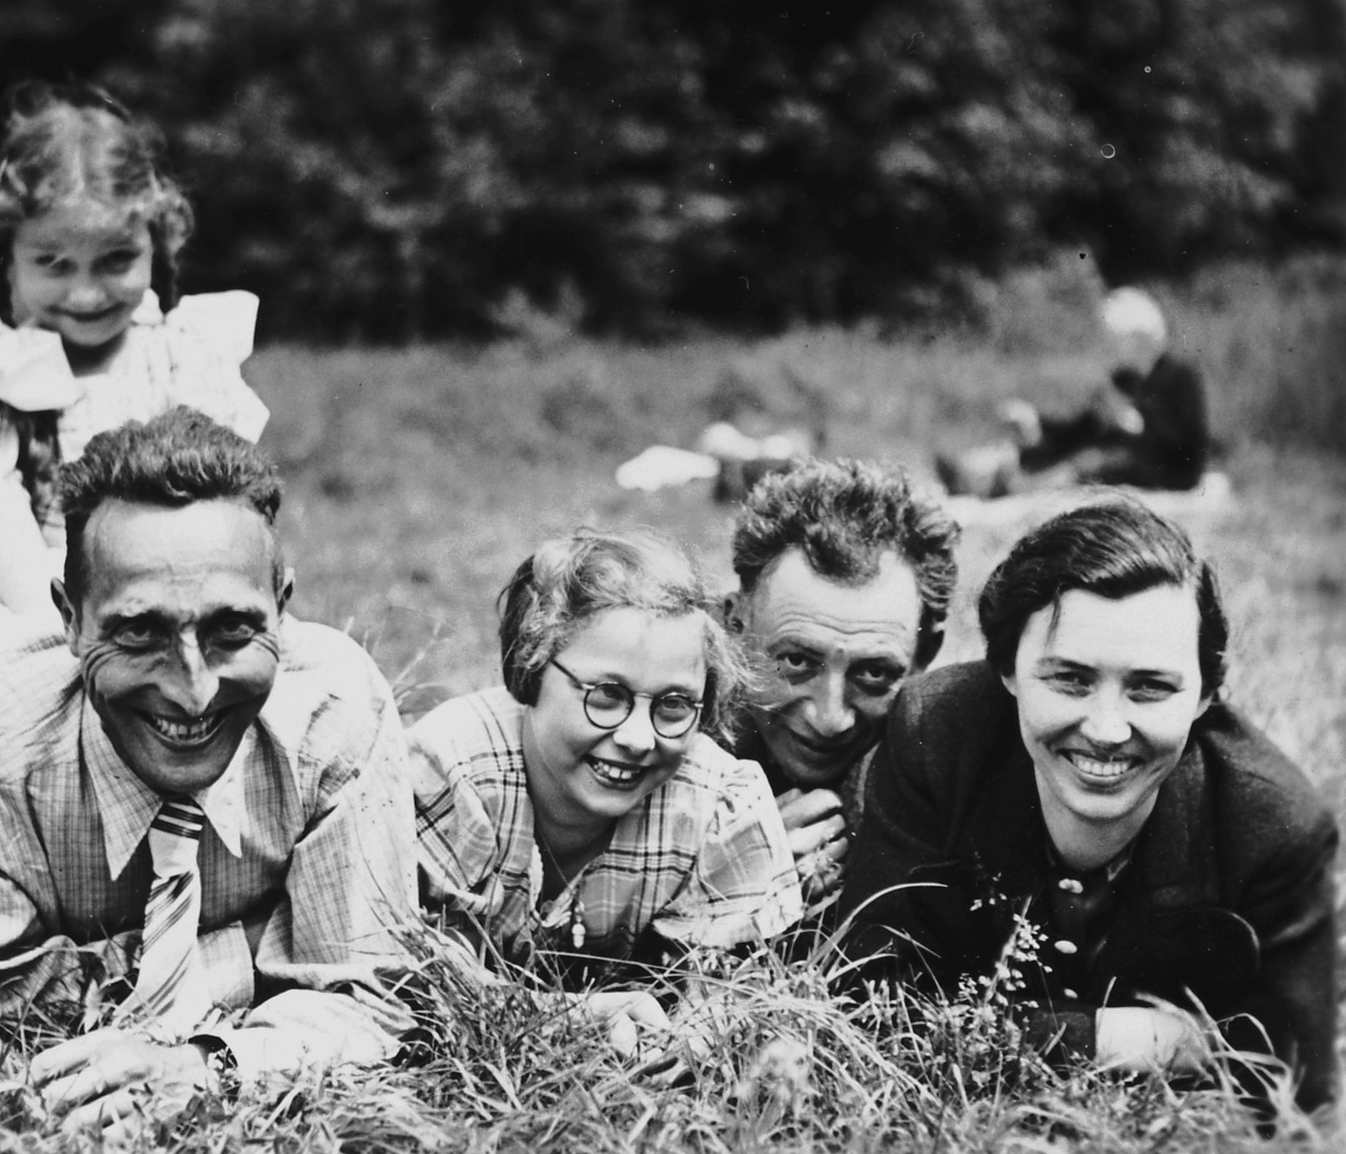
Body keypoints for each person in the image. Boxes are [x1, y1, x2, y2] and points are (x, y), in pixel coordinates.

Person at [0, 406, 416, 1134]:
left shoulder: (335, 717)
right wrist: (252, 950)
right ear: (69, 618)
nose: (193, 690)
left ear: (282, 610)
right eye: (138, 632)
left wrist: (207, 1064)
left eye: (233, 629)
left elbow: (370, 996)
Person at [840, 498, 1337, 1111]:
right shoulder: (934, 736)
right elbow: (866, 999)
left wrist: (1003, 1032)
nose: (1105, 729)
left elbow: (1291, 1086)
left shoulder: (1273, 822)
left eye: (1150, 687)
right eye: (1070, 679)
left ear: (1207, 693)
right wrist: (1131, 1038)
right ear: (1006, 668)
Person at [0, 80, 268, 674]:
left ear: (156, 244)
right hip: (33, 592)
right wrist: (65, 646)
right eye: (54, 264)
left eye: (117, 259)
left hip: (178, 584)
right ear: (8, 258)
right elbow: (6, 530)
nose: (87, 292)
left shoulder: (183, 353)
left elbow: (221, 518)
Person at [410, 529, 801, 1046]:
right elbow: (409, 975)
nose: (639, 739)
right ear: (530, 669)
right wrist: (567, 1015)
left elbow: (737, 990)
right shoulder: (457, 770)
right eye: (607, 695)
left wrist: (698, 1037)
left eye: (674, 705)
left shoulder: (715, 805)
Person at [723, 459, 960, 905]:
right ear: (734, 626)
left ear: (925, 654)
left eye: (873, 674)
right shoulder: (663, 738)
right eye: (796, 661)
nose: (829, 718)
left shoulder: (960, 762)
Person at [939, 288, 1210, 498]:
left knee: (1088, 463)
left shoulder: (1181, 377)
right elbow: (1080, 430)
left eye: (1114, 340)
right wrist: (1038, 425)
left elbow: (1187, 446)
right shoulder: (1123, 380)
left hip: (1165, 471)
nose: (1109, 348)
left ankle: (1012, 486)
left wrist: (1137, 426)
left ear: (1137, 338)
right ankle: (974, 475)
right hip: (1117, 459)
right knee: (1060, 453)